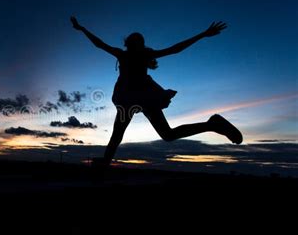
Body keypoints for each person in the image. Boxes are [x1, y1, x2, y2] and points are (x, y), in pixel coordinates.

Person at [70, 16, 243, 166]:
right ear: (130, 44)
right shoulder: (128, 55)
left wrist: (203, 35)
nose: (136, 45)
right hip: (136, 99)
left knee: (149, 134)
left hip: (138, 99)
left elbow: (176, 49)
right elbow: (99, 44)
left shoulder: (130, 55)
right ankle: (211, 124)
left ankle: (212, 124)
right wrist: (82, 29)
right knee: (152, 134)